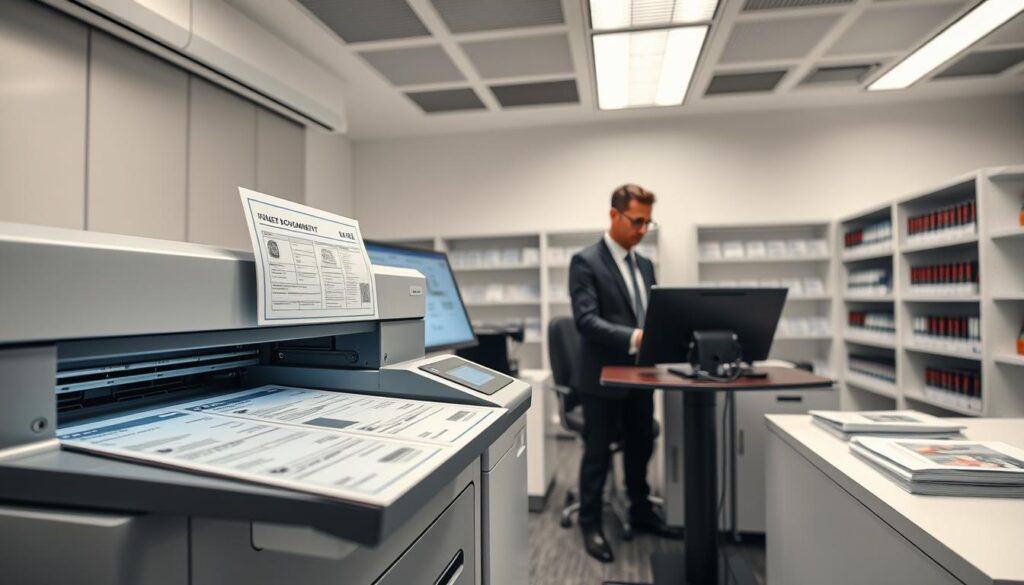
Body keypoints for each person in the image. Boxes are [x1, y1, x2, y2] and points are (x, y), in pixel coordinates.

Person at [569, 183, 678, 563]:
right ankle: (590, 522)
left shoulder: (645, 264)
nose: (643, 229)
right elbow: (586, 321)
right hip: (601, 379)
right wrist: (636, 336)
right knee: (597, 454)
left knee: (641, 445)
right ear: (614, 215)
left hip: (640, 375)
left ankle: (641, 510)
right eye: (637, 220)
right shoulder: (585, 261)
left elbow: (649, 313)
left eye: (648, 222)